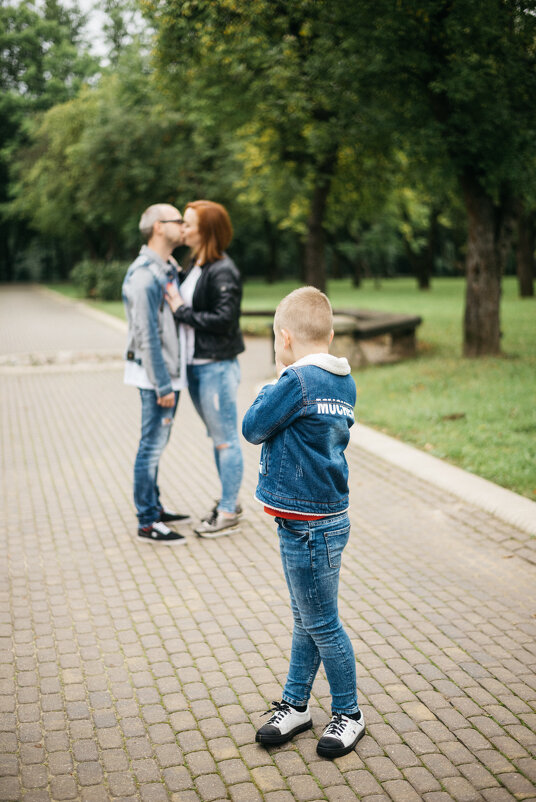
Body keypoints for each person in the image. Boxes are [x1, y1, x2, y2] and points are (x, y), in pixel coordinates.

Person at [242, 286, 365, 760]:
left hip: (307, 523)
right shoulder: (343, 381)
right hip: (326, 516)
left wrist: (272, 383)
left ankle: (349, 713)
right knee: (306, 618)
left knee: (321, 622)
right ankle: (295, 704)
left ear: (284, 338)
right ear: (330, 335)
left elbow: (254, 428)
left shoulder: (294, 382)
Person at [166, 200, 244, 538]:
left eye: (188, 223)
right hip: (197, 368)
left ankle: (228, 512)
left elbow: (225, 320)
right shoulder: (196, 265)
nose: (182, 228)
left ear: (206, 230)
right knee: (218, 438)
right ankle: (230, 500)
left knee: (225, 439)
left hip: (216, 367)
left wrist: (181, 310)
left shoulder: (223, 270)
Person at [122, 203, 190, 544]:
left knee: (157, 445)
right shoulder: (144, 275)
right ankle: (147, 521)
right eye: (178, 221)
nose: (184, 226)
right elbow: (146, 334)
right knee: (150, 446)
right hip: (156, 378)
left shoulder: (165, 268)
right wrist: (162, 382)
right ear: (159, 228)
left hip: (166, 373)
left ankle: (155, 506)